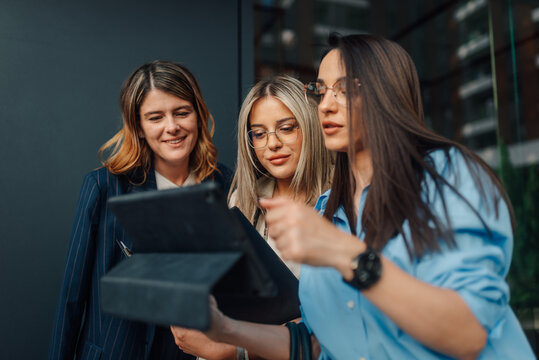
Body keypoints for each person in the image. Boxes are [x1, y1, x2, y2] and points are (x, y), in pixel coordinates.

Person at [175, 34, 535, 360]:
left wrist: (343, 253)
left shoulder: (447, 177)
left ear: (387, 93)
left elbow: (467, 333)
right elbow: (316, 344)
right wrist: (226, 330)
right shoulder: (329, 210)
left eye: (345, 89)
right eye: (321, 90)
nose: (327, 105)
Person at [49, 60, 232, 360]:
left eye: (182, 112)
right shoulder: (104, 187)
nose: (172, 127)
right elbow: (71, 298)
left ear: (198, 115)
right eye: (155, 117)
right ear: (139, 127)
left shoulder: (226, 185)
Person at [171, 75, 333, 359]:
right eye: (259, 133)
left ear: (311, 127)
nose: (272, 144)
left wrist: (235, 350)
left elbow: (335, 320)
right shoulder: (242, 201)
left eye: (286, 128)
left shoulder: (341, 205)